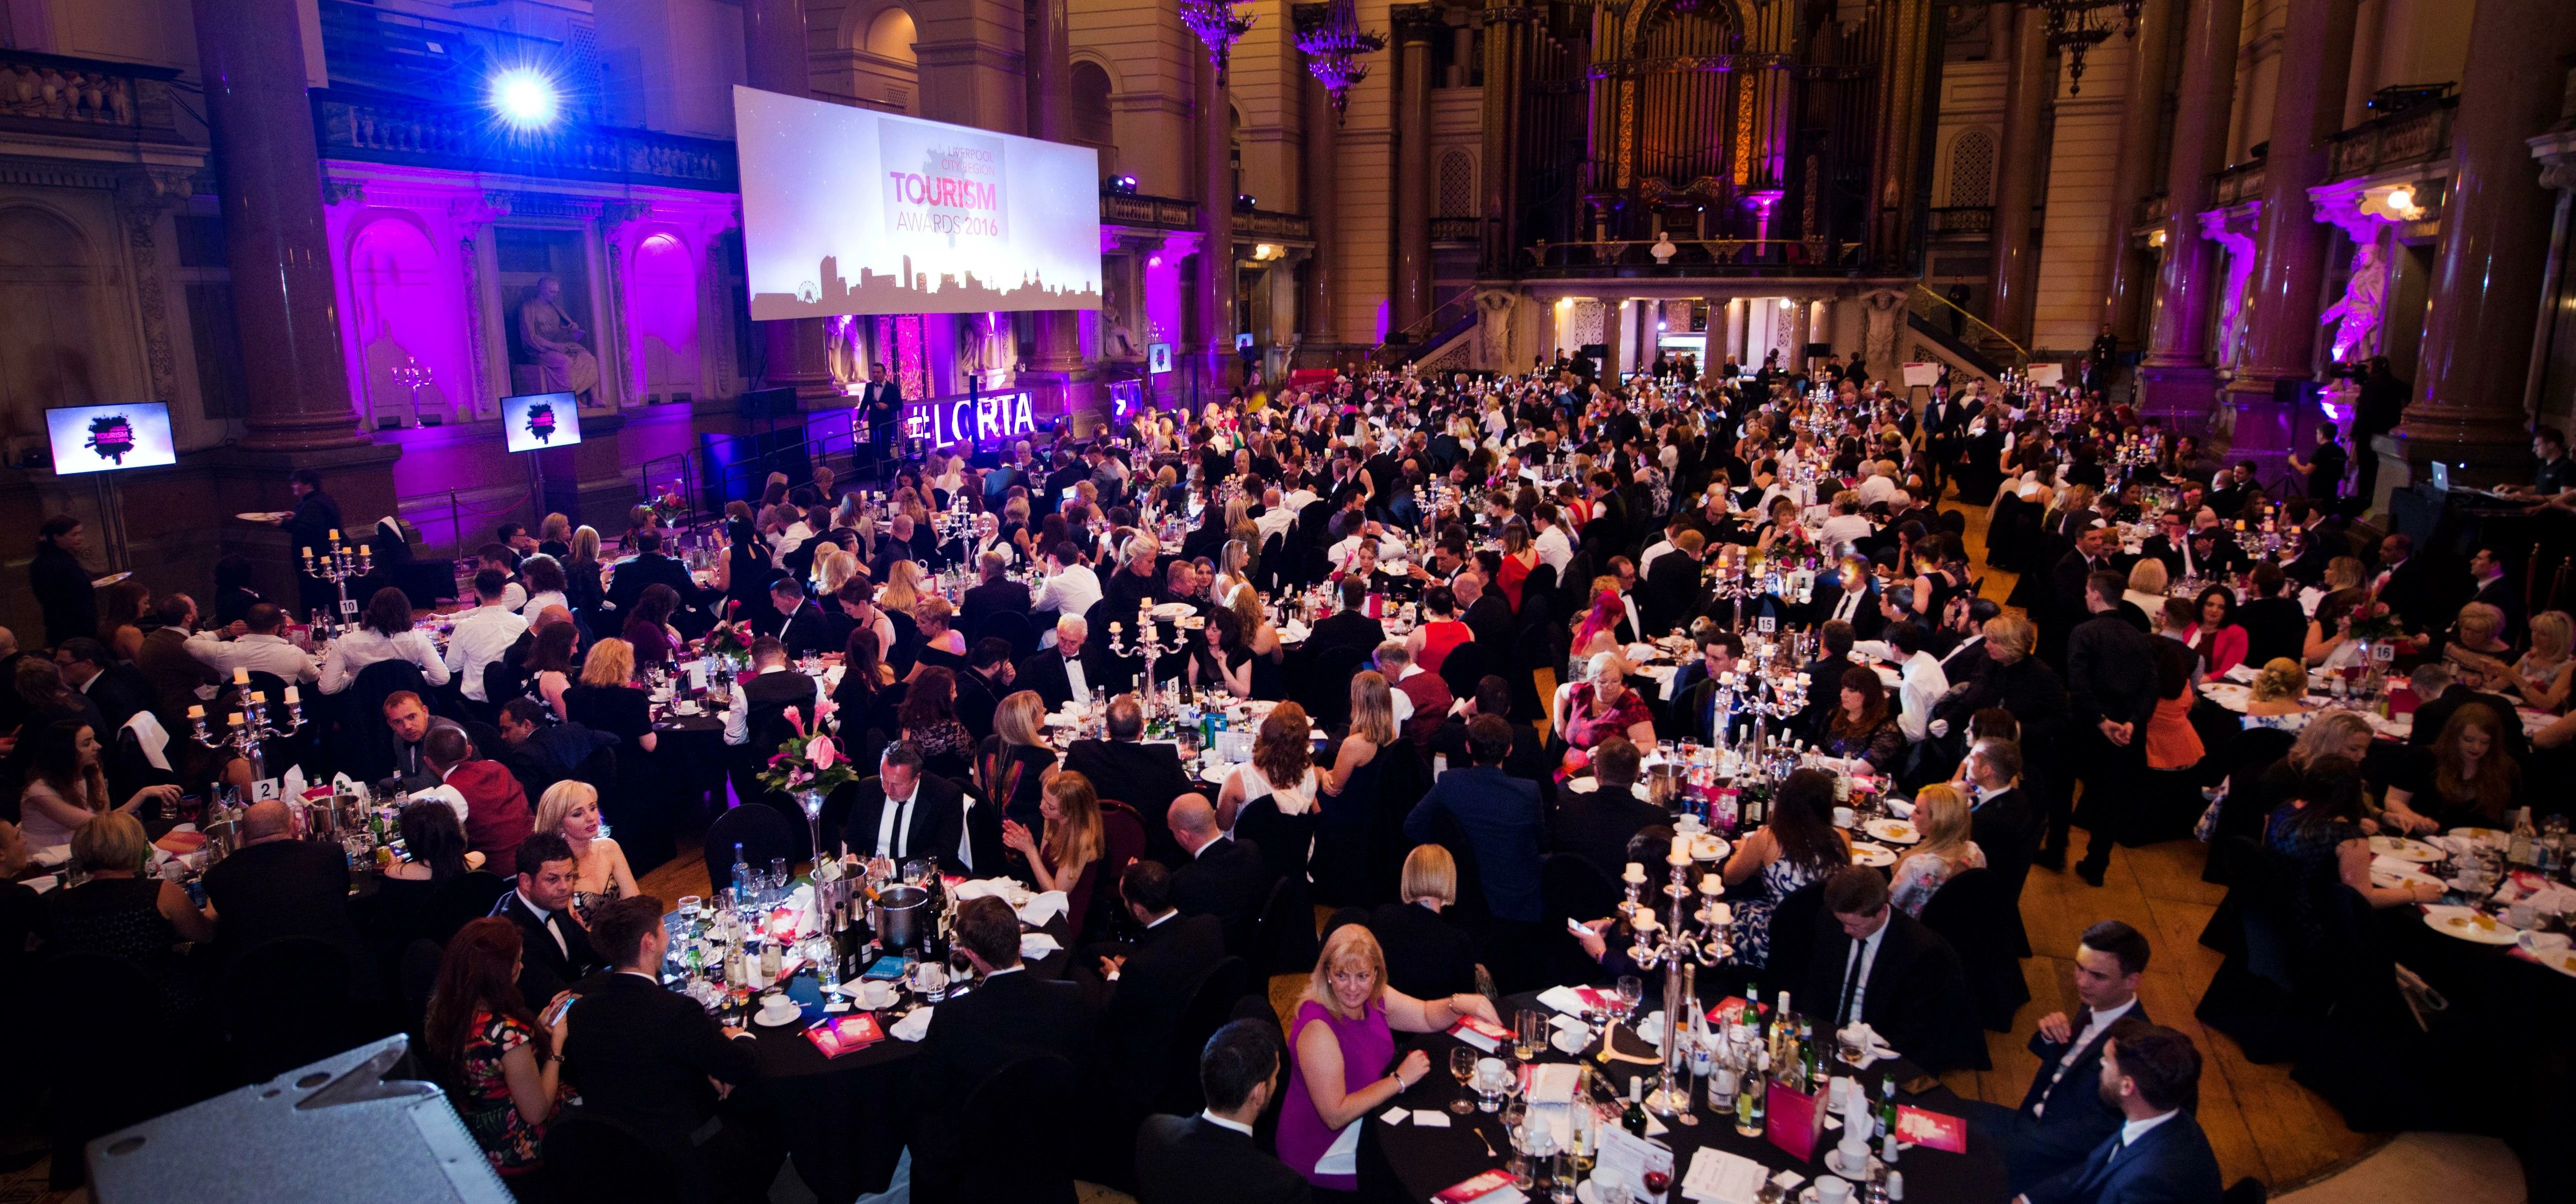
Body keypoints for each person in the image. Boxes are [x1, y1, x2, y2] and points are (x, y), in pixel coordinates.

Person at [560, 896, 777, 1204]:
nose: (667, 935)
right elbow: (740, 1066)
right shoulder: (674, 1012)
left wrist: (703, 1067)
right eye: (663, 930)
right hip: (685, 1158)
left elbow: (645, 1060)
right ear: (649, 942)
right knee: (770, 1114)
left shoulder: (581, 1013)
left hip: (618, 1159)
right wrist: (740, 1037)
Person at [1278, 924, 1500, 1193]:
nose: (1352, 988)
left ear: (1376, 974)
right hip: (1327, 1150)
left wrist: (1460, 1003)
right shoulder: (1318, 1029)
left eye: (1362, 976)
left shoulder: (1374, 997)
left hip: (1369, 1116)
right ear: (1327, 974)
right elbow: (1335, 1115)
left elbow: (1427, 1016)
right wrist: (1399, 1080)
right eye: (1341, 975)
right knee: (1420, 1172)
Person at [909, 895, 1098, 1200]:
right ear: (1019, 940)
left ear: (971, 955)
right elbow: (1084, 1069)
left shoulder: (953, 1017)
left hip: (979, 1156)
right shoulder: (1070, 998)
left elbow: (925, 1094)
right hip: (1051, 1139)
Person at [1964, 920, 2152, 1192]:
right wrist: (2048, 1037)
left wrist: (2010, 1147)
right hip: (2027, 1121)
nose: (2082, 982)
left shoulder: (2136, 1048)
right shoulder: (2098, 1003)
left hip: (2051, 1159)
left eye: (2098, 976)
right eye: (2079, 967)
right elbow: (2068, 1069)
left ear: (2132, 981)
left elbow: (2101, 1131)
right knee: (1941, 1114)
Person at [424, 917, 573, 1186]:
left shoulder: (450, 1011)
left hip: (480, 1138)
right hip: (519, 1151)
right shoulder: (506, 1034)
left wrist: (535, 1027)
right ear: (499, 972)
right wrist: (556, 1045)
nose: (522, 966)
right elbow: (537, 1112)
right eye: (518, 961)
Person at [2016, 1024, 2222, 1204]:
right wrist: (2028, 1200)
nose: (2101, 1066)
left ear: (2127, 1086)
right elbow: (2092, 1168)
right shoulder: (2164, 1117)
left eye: (2106, 1061)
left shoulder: (2149, 1181)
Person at [1798, 866, 1977, 1072]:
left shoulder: (1921, 952)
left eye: (1855, 925)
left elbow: (1913, 1032)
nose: (1846, 931)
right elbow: (1816, 987)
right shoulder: (1831, 922)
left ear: (1882, 911)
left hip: (1878, 1053)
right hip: (1829, 1040)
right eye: (1843, 922)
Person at [42, 812, 214, 1014]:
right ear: (135, 847)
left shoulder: (62, 902)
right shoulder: (159, 893)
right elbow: (206, 935)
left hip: (94, 1012)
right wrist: (213, 907)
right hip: (162, 1006)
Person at [2266, 756, 2444, 949]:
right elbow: (2364, 898)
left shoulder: (2282, 810)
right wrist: (2415, 893)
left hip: (2276, 915)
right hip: (2318, 930)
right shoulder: (2347, 838)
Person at [1134, 1020, 1314, 1204]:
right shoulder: (1283, 1188)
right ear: (1259, 1093)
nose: (1277, 1082)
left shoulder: (1154, 1130)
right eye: (1275, 1076)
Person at [1094, 860, 1228, 1106]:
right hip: (1200, 1029)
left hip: (1154, 1054)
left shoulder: (1140, 967)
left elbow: (1110, 1013)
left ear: (1140, 910)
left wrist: (1114, 975)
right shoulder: (1210, 926)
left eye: (1126, 902)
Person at [1402, 713, 1545, 924]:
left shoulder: (1450, 782)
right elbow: (1542, 842)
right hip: (1519, 900)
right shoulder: (1529, 791)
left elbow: (1412, 825)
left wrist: (1448, 848)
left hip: (1466, 897)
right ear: (1509, 749)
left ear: (1468, 747)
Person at [2066, 570, 2159, 886]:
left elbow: (2078, 686)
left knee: (2067, 785)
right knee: (2109, 798)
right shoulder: (2139, 636)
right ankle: (2096, 864)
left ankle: (2056, 849)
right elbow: (2151, 688)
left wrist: (2101, 721)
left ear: (2095, 594)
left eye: (2087, 591)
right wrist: (2133, 722)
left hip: (2090, 726)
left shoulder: (2084, 632)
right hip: (2126, 732)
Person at [198, 800, 366, 968]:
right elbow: (343, 901)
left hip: (257, 983)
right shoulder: (329, 854)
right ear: (295, 827)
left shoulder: (217, 878)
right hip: (338, 974)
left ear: (241, 837)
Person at [1720, 768, 1849, 967]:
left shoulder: (1768, 838)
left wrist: (1743, 849)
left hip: (1777, 940)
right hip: (1825, 938)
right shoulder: (1843, 838)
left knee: (1728, 907)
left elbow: (1731, 877)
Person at [18, 720, 178, 850]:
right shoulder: (39, 791)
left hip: (85, 848)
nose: (98, 746)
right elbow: (98, 824)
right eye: (87, 743)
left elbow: (105, 816)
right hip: (47, 859)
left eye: (94, 739)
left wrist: (144, 793)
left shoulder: (92, 771)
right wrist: (142, 794)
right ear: (65, 752)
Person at [487, 831, 602, 1008]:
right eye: (553, 879)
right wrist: (622, 975)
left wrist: (627, 954)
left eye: (569, 876)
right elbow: (556, 999)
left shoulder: (550, 900)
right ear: (526, 882)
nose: (565, 887)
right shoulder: (511, 933)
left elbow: (586, 946)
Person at [1365, 844, 1481, 1000]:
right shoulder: (1458, 943)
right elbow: (1466, 1006)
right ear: (1449, 881)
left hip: (1382, 1021)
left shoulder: (1381, 918)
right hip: (1436, 1023)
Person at [418, 725, 534, 878]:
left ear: (428, 762)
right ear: (469, 751)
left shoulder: (446, 794)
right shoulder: (496, 766)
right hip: (536, 859)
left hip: (499, 877)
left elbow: (438, 846)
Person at [2385, 704, 2524, 830]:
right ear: (2454, 736)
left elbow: (2513, 818)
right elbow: (2393, 801)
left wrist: (2524, 828)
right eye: (2469, 740)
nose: (2477, 748)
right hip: (2428, 839)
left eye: (2485, 742)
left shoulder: (2506, 768)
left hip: (2482, 845)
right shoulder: (2422, 758)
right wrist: (2418, 820)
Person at [840, 739, 974, 870]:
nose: (888, 790)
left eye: (897, 784)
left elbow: (944, 853)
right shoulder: (868, 788)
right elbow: (851, 837)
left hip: (918, 881)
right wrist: (850, 856)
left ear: (916, 778)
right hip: (872, 882)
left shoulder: (946, 795)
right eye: (884, 780)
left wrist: (892, 867)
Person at [1548, 735, 1668, 878]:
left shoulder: (1569, 809)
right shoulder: (1657, 819)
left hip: (1572, 894)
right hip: (1631, 896)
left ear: (1596, 772)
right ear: (1637, 774)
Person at [1001, 768, 1108, 928]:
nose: (1042, 807)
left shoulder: (1082, 840)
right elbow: (1045, 869)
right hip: (1042, 902)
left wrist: (1030, 851)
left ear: (1071, 813)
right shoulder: (1052, 819)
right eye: (1043, 799)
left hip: (1066, 917)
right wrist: (1025, 845)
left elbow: (1057, 894)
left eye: (1051, 806)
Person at [1168, 794, 1268, 954]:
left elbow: (1175, 937)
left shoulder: (1185, 881)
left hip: (1212, 961)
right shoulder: (1250, 849)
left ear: (1184, 836)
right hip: (1254, 948)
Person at [536, 780, 635, 925]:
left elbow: (636, 904)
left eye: (593, 808)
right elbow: (573, 933)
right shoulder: (555, 869)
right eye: (577, 814)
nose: (590, 817)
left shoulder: (609, 848)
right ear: (558, 824)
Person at [321, 588, 450, 694]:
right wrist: (412, 676)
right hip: (408, 709)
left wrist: (353, 678)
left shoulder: (345, 642)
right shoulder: (417, 639)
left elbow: (328, 688)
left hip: (365, 713)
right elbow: (441, 678)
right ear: (406, 612)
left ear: (371, 611)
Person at [1890, 784, 1986, 916]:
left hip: (1912, 931)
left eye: (1918, 811)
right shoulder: (1975, 852)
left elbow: (1889, 909)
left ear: (1938, 821)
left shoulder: (1918, 865)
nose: (1912, 815)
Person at [446, 570, 530, 708]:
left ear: (476, 592)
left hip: (478, 704)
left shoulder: (465, 627)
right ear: (504, 590)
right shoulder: (522, 622)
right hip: (515, 697)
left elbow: (452, 666)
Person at [1819, 664, 1906, 775]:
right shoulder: (1835, 714)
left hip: (1865, 785)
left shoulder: (1886, 729)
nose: (1843, 694)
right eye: (1843, 688)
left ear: (1869, 694)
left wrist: (1822, 761)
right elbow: (1819, 747)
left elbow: (1863, 769)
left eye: (1851, 690)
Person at [1562, 651, 1658, 752]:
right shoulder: (1584, 692)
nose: (1610, 687)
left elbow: (1650, 744)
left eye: (1615, 681)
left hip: (1609, 765)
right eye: (1603, 682)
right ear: (1592, 681)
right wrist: (1559, 719)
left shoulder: (1632, 706)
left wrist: (1610, 753)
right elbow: (1561, 690)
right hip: (1569, 763)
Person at [30, 516, 98, 649]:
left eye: (80, 533)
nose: (81, 537)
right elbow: (50, 597)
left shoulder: (63, 560)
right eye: (75, 534)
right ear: (57, 538)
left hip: (72, 624)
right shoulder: (50, 563)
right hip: (70, 627)